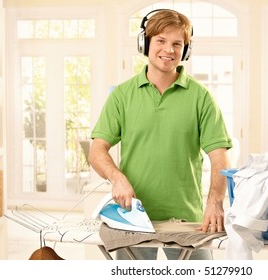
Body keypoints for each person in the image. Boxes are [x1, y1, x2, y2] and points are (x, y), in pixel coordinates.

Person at [88, 9, 232, 260]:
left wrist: (216, 202)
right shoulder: (122, 95)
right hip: (133, 217)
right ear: (145, 43)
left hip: (189, 221)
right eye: (161, 41)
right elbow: (97, 150)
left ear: (185, 50)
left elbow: (219, 157)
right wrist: (117, 178)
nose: (169, 50)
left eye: (178, 43)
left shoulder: (201, 97)